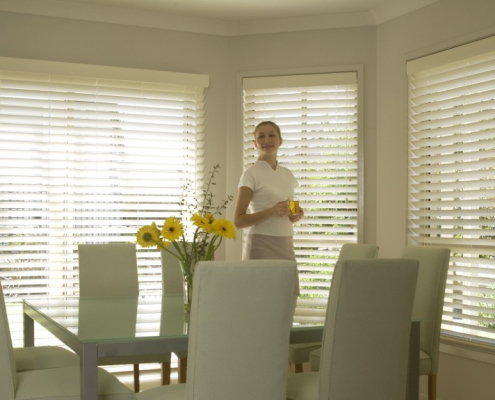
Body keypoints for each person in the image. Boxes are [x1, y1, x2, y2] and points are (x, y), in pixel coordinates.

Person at [234, 120, 303, 295]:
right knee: (260, 301)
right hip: (260, 244)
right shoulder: (251, 174)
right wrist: (271, 211)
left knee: (288, 299)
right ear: (255, 143)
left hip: (286, 242)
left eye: (272, 135)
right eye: (261, 136)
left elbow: (291, 207)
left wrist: (297, 214)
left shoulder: (287, 174)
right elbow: (239, 220)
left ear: (280, 141)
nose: (267, 140)